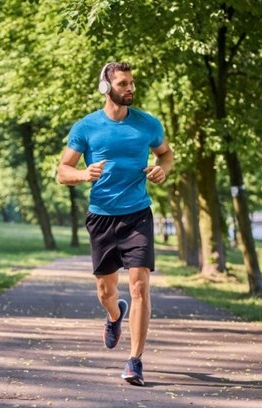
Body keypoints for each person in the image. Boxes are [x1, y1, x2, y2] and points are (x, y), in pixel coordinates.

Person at [57, 62, 173, 386]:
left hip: (138, 213)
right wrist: (84, 173)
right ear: (106, 88)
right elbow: (61, 171)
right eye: (123, 84)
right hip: (102, 216)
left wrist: (164, 169)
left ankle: (135, 361)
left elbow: (166, 154)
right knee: (106, 291)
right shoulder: (86, 127)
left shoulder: (148, 124)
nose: (130, 89)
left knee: (139, 286)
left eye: (131, 83)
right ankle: (113, 315)